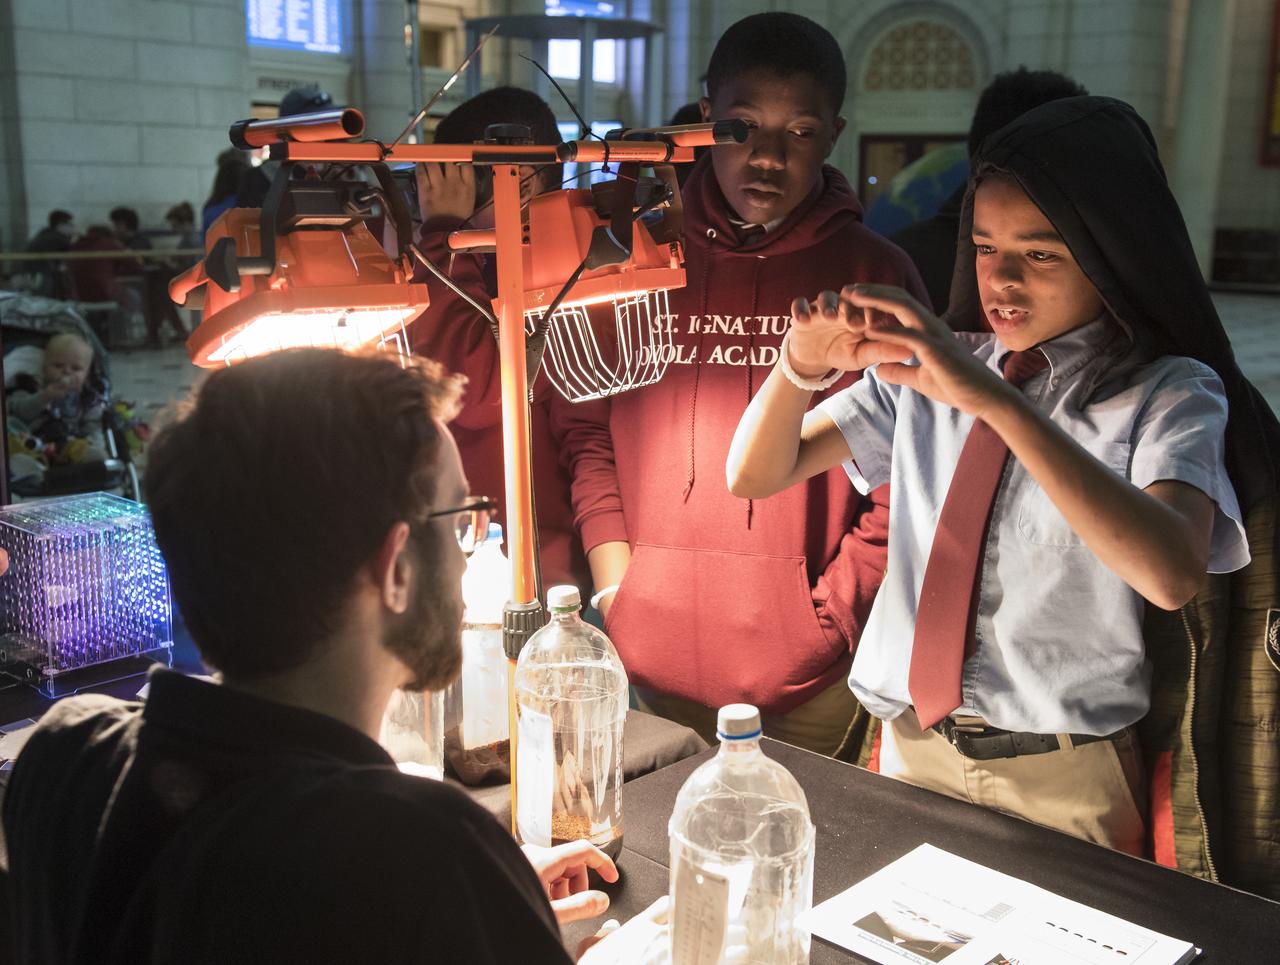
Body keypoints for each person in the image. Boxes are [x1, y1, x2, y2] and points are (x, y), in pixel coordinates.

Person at [725, 95, 1280, 855]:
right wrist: (799, 363)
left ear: (1107, 250)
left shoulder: (1166, 390)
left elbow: (1170, 569)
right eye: (985, 248)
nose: (1004, 280)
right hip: (910, 750)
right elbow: (754, 473)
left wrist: (988, 397)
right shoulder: (934, 367)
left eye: (1041, 253)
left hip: (1062, 778)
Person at [0, 347, 666, 963]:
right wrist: (477, 903)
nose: (466, 555)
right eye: (459, 516)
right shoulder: (428, 852)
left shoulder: (63, 752)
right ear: (395, 568)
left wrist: (482, 910)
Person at [553, 13, 926, 754]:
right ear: (704, 118)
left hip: (808, 677)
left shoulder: (876, 276)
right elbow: (587, 428)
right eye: (744, 127)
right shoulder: (630, 255)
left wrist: (830, 618)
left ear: (834, 134)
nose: (768, 157)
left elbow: (910, 474)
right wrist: (615, 587)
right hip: (643, 656)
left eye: (800, 132)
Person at [409, 87, 589, 593]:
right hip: (487, 554)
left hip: (536, 567)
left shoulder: (557, 263)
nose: (440, 197)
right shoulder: (486, 259)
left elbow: (472, 392)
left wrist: (443, 228)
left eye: (460, 180)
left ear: (523, 181)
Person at [891, 68, 1088, 315]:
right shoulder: (898, 265)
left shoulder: (897, 257)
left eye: (1038, 255)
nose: (998, 280)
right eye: (985, 248)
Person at [8, 331, 105, 458]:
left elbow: (94, 427)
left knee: (95, 454)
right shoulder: (29, 385)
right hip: (31, 444)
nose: (66, 371)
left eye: (75, 368)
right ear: (45, 367)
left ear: (86, 376)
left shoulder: (88, 399)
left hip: (69, 446)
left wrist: (93, 444)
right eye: (58, 365)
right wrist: (45, 396)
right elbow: (20, 412)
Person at [24, 209, 76, 299]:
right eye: (70, 225)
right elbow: (68, 252)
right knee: (43, 298)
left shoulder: (45, 234)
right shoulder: (57, 238)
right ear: (60, 225)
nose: (73, 228)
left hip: (34, 273)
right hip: (42, 274)